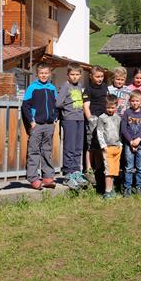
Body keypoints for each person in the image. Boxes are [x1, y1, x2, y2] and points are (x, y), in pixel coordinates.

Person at [22, 62, 59, 190]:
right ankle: (33, 178)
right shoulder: (32, 88)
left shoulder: (52, 88)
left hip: (49, 125)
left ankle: (48, 177)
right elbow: (25, 106)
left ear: (49, 74)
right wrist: (31, 122)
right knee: (34, 151)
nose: (44, 75)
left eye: (46, 73)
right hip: (37, 125)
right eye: (41, 73)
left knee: (47, 151)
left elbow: (56, 105)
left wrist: (55, 119)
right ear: (37, 74)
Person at [56, 62, 88, 191]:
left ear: (80, 75)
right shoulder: (65, 86)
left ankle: (76, 172)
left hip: (80, 119)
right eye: (72, 74)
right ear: (68, 75)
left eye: (77, 74)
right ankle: (68, 174)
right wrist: (67, 109)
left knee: (78, 147)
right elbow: (58, 103)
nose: (74, 77)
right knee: (69, 147)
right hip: (69, 119)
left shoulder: (80, 86)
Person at [83, 65, 108, 186]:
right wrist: (90, 120)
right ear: (91, 76)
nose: (100, 79)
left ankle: (99, 168)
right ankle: (88, 169)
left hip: (104, 120)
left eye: (102, 76)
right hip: (93, 119)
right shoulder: (88, 89)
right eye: (97, 76)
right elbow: (86, 107)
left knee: (100, 145)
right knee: (91, 145)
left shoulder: (105, 87)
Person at [121, 90, 141, 197]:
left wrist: (139, 139)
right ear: (129, 101)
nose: (135, 103)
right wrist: (131, 141)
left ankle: (139, 186)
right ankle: (127, 187)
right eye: (132, 101)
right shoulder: (127, 113)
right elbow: (123, 129)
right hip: (129, 143)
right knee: (128, 167)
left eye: (137, 101)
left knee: (140, 167)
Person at [97, 94, 122, 199]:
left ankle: (111, 190)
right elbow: (99, 132)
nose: (110, 110)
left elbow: (120, 131)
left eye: (112, 107)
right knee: (108, 170)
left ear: (116, 106)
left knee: (114, 170)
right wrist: (103, 145)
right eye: (108, 107)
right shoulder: (102, 118)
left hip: (117, 147)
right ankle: (107, 192)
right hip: (107, 147)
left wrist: (120, 144)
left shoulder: (118, 118)